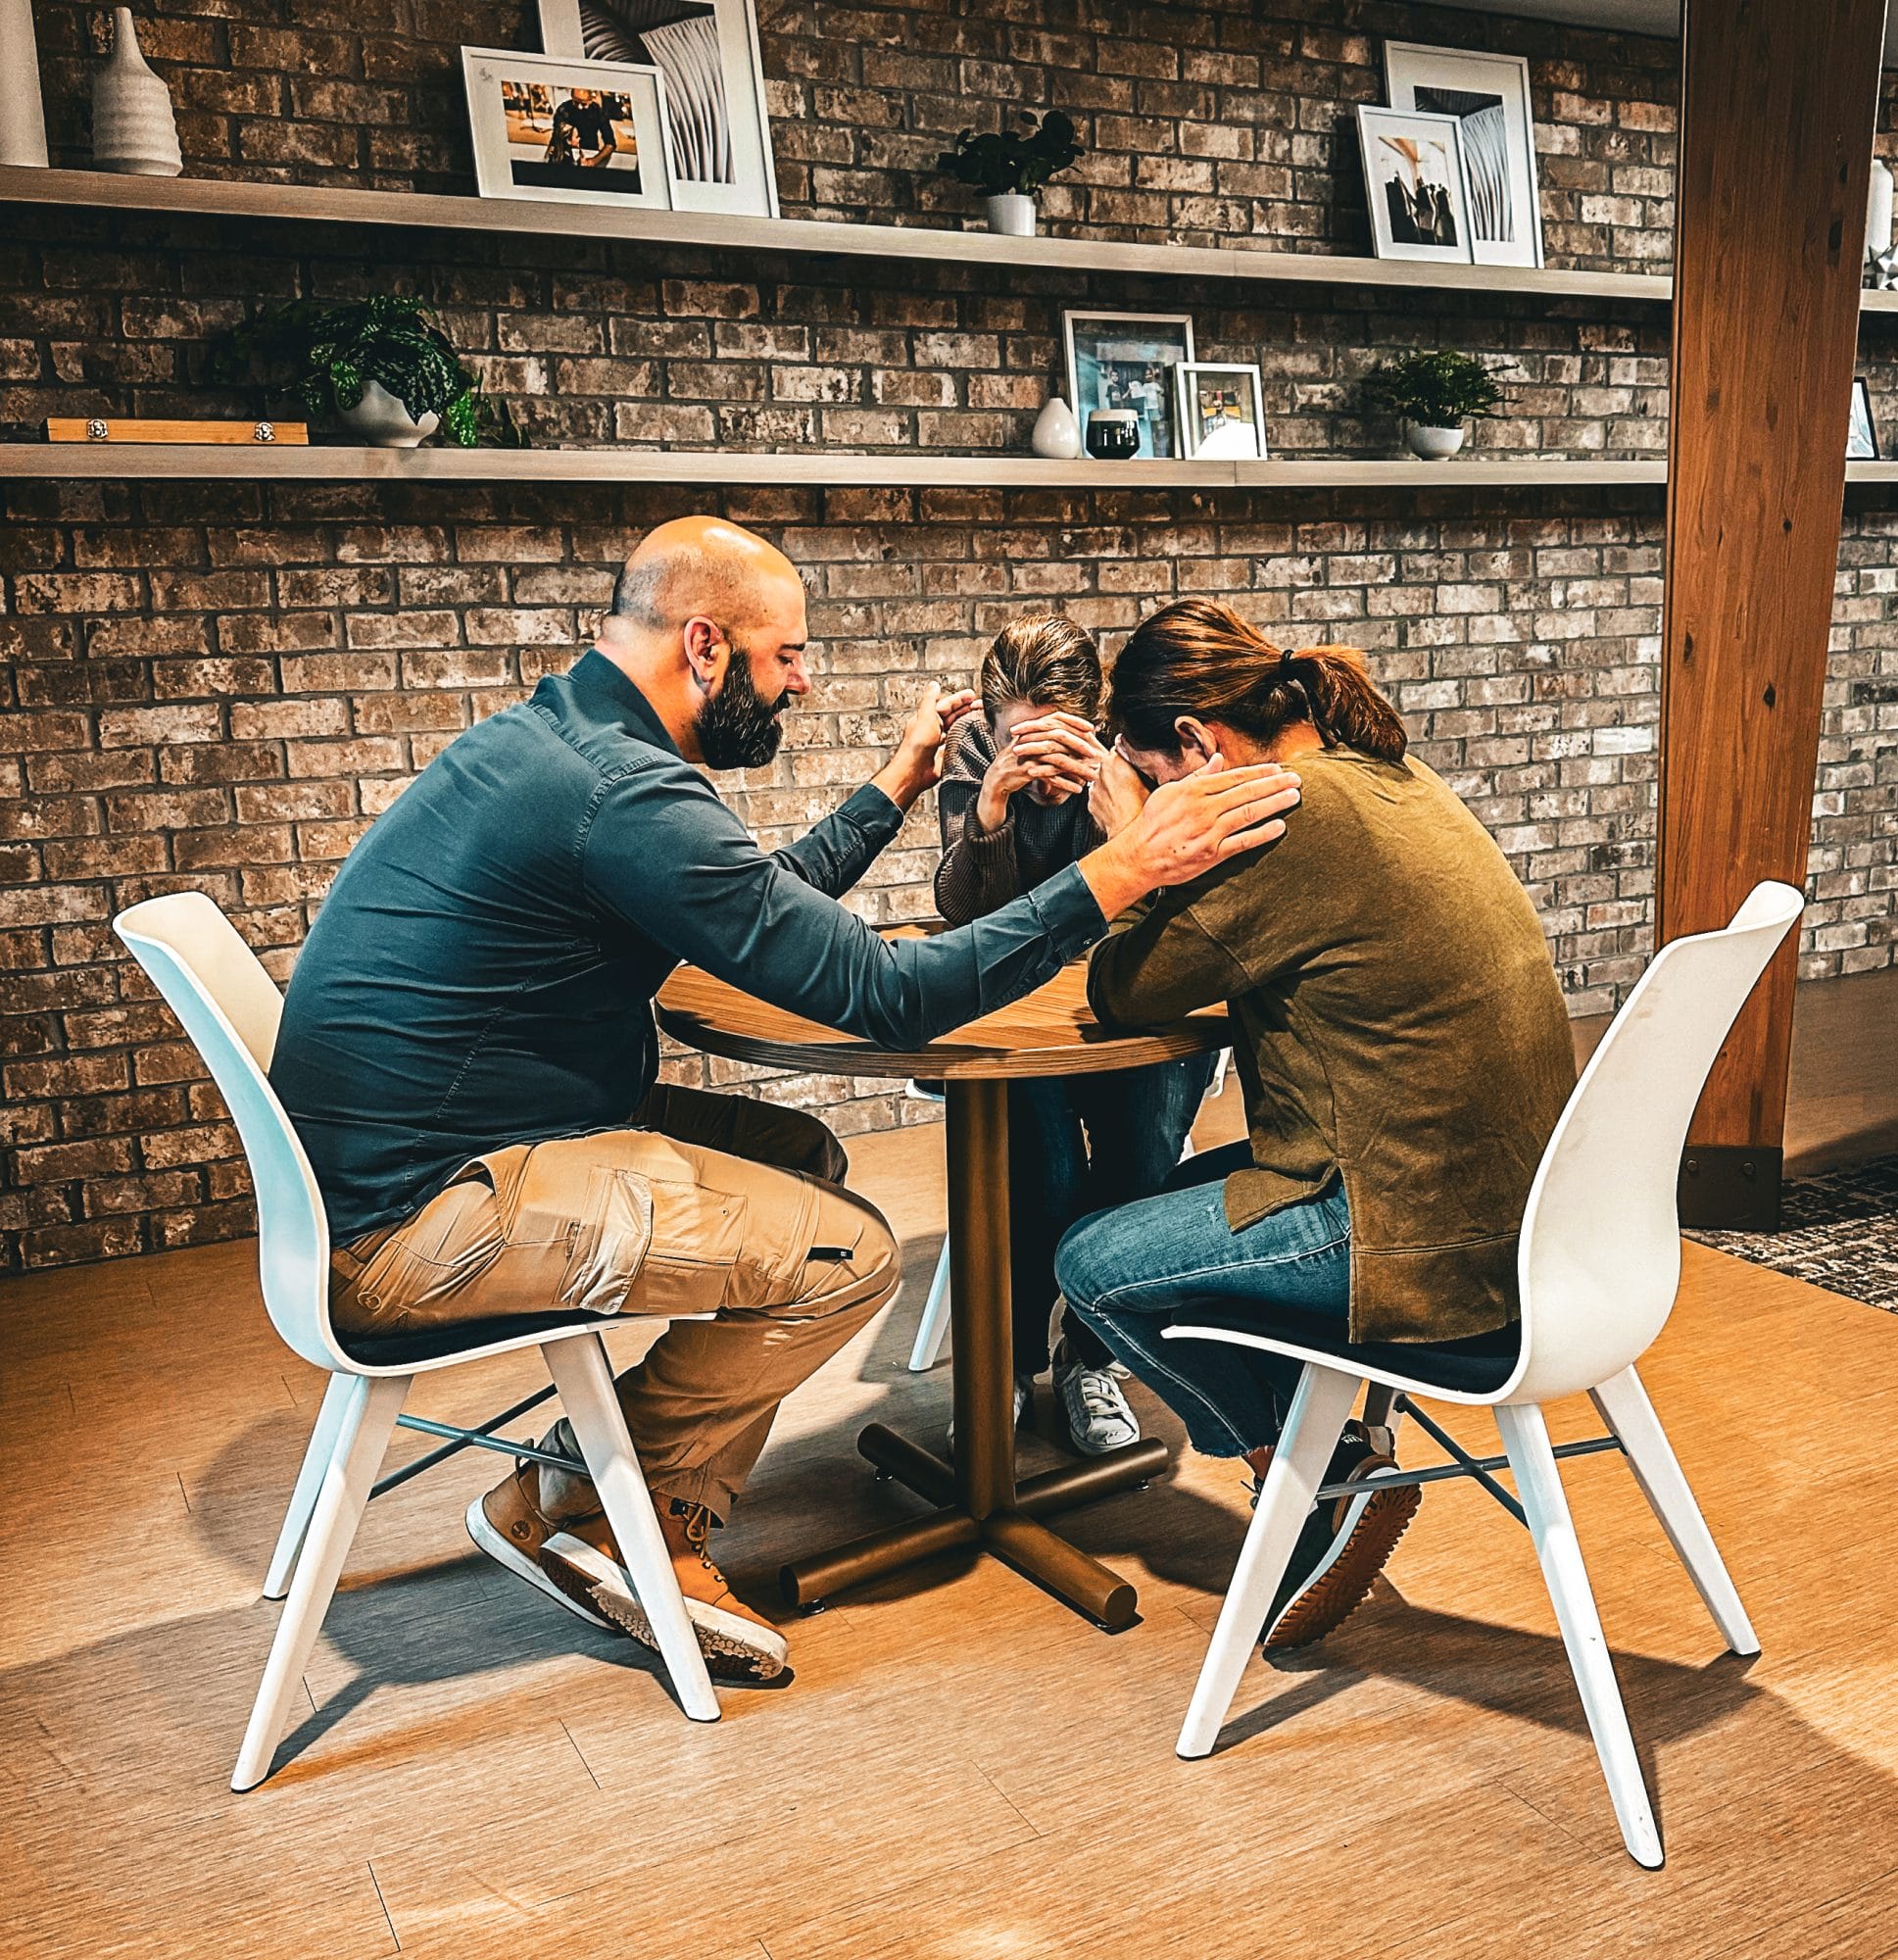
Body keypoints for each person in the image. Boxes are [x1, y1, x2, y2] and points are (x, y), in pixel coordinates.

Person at [269, 520, 1300, 1686]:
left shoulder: (566, 743)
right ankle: (587, 1502)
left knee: (799, 1154)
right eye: (789, 654)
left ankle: (626, 1494)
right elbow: (884, 991)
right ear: (706, 645)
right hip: (419, 1216)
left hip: (414, 1160)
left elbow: (756, 909)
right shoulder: (624, 791)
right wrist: (1120, 867)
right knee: (845, 1254)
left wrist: (894, 786)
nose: (806, 680)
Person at [1054, 598, 1576, 1649]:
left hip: (1417, 1230)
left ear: (1198, 745)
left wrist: (1132, 840)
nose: (1161, 801)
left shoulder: (1284, 815)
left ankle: (1303, 1480)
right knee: (1168, 1202)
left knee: (1092, 1264)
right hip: (1532, 1209)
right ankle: (1320, 1459)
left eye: (1158, 779)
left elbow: (1125, 986)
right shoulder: (1377, 771)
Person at [934, 613, 1213, 1456]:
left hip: (1129, 1004)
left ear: (1095, 722)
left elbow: (1180, 911)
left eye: (1066, 737)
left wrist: (1119, 801)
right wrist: (989, 810)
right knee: (1042, 1177)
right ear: (992, 728)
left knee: (1143, 1160)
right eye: (1023, 738)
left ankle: (1092, 1355)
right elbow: (962, 917)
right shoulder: (977, 760)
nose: (1043, 756)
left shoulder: (1137, 757)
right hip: (1018, 1014)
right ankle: (1009, 1362)